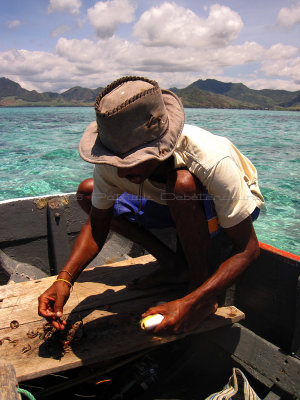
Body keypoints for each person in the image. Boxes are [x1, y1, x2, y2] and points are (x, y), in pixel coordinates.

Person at [38, 76, 264, 334]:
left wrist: (190, 302)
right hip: (172, 201)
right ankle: (174, 265)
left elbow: (248, 249)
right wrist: (64, 280)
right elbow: (97, 226)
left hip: (226, 206)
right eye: (116, 163)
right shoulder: (115, 163)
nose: (120, 174)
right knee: (88, 193)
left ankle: (199, 291)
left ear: (159, 148)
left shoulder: (210, 158)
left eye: (130, 162)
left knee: (182, 184)